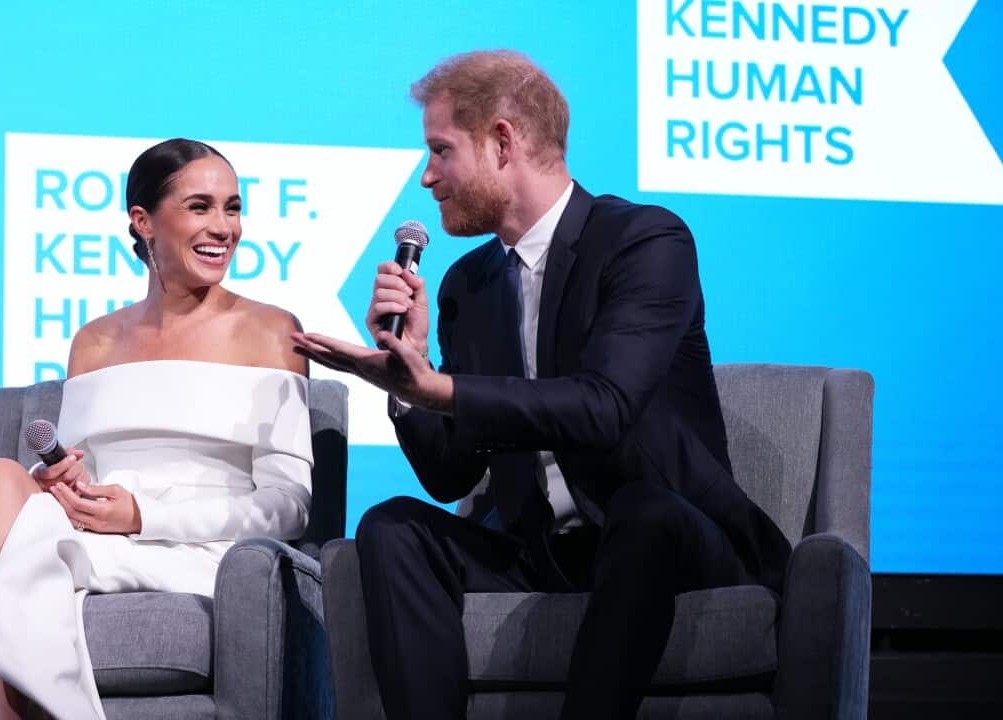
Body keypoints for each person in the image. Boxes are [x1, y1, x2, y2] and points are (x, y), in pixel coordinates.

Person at [291, 50, 791, 719]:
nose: (427, 177)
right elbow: (449, 475)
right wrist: (409, 377)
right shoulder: (468, 284)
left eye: (440, 151)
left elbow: (604, 407)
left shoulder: (644, 242)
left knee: (644, 514)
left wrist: (439, 389)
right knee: (394, 526)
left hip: (671, 538)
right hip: (542, 549)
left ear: (502, 141)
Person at [0, 138, 314, 720]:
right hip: (95, 532)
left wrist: (144, 516)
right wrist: (64, 485)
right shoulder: (95, 341)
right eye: (200, 207)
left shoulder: (271, 332)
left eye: (233, 207)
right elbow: (76, 473)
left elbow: (290, 506)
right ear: (143, 221)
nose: (224, 226)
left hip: (200, 546)